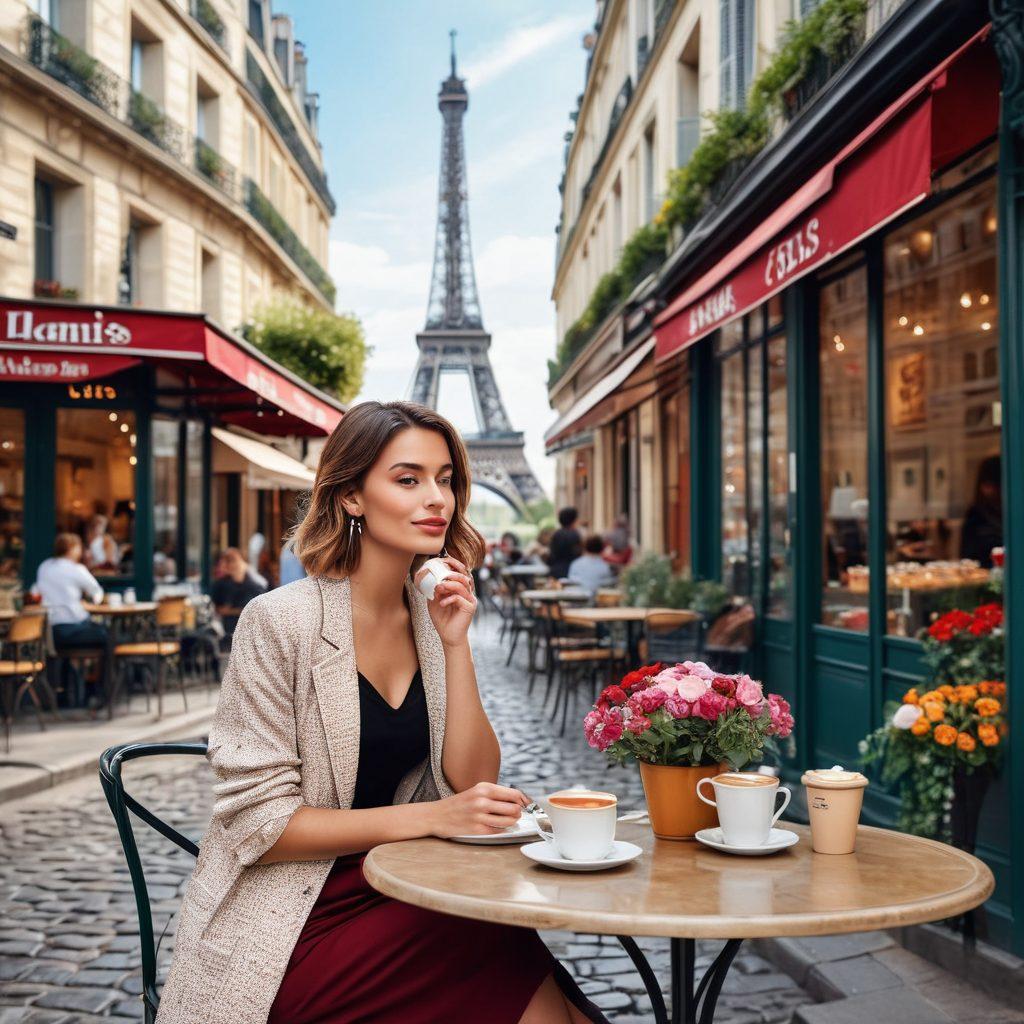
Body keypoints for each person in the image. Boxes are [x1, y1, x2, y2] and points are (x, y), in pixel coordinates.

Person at [155, 401, 606, 1024]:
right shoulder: (280, 621)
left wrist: (455, 644)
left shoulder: (430, 617)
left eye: (445, 479)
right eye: (408, 479)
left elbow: (473, 782)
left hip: (396, 887)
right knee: (491, 937)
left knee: (495, 935)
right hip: (292, 921)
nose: (437, 499)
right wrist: (436, 816)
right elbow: (262, 826)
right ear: (352, 498)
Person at [32, 533, 111, 708]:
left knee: (87, 638)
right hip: (73, 631)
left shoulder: (44, 567)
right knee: (108, 637)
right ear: (73, 549)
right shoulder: (76, 569)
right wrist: (91, 602)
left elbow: (36, 590)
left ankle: (67, 693)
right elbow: (96, 592)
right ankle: (101, 693)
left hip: (51, 633)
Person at [209, 547, 266, 637]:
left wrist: (230, 611)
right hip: (227, 633)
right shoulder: (221, 585)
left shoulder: (254, 585)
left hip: (248, 632)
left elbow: (257, 610)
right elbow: (217, 609)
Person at [961, 454, 1002, 567]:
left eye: (992, 484)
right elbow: (967, 556)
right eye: (985, 484)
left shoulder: (1010, 512)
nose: (988, 490)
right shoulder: (976, 514)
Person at [547, 507, 583, 580]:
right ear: (573, 520)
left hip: (555, 570)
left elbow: (551, 554)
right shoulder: (574, 535)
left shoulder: (556, 534)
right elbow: (578, 554)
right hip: (570, 571)